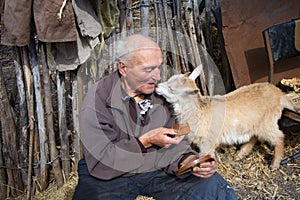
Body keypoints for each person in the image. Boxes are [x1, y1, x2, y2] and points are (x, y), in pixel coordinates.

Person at [73, 34, 237, 200]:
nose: (157, 76)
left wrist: (191, 161)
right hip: (109, 174)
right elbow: (102, 159)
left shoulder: (158, 98)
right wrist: (145, 141)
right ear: (123, 68)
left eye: (158, 67)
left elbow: (173, 146)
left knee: (213, 188)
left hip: (154, 167)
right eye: (148, 69)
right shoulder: (98, 100)